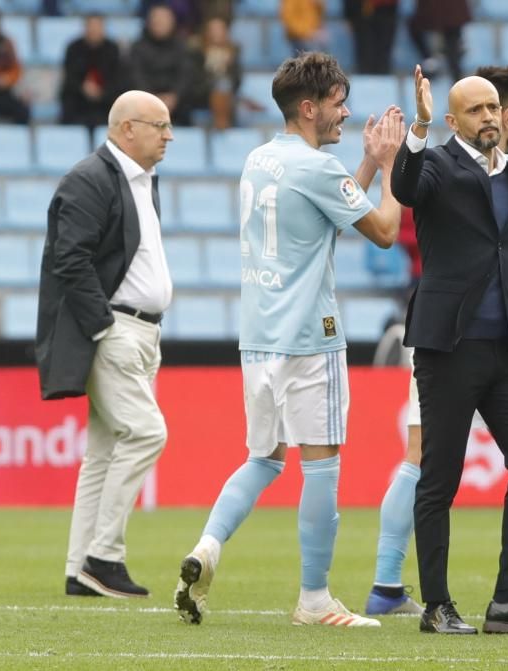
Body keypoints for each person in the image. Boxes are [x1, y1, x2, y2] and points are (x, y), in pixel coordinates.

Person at [173, 52, 404, 628]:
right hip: (310, 335)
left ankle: (208, 544)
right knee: (321, 465)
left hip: (259, 337)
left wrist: (366, 166)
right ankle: (315, 599)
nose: (345, 112)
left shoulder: (259, 160)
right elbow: (384, 231)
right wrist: (392, 166)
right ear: (309, 108)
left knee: (264, 457)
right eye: (336, 103)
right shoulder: (317, 169)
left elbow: (326, 208)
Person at [365, 63, 508, 621]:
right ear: (451, 120)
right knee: (439, 477)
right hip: (448, 345)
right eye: (475, 110)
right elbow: (407, 187)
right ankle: (437, 604)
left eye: (494, 108)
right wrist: (416, 129)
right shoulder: (435, 163)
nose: (489, 116)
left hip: (505, 346)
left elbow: (486, 247)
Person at [37, 90, 174, 598]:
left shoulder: (140, 178)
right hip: (115, 331)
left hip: (142, 332)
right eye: (159, 125)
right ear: (126, 129)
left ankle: (79, 571)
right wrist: (105, 327)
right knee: (146, 433)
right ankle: (104, 556)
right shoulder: (88, 179)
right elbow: (68, 259)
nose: (169, 135)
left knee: (102, 451)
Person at [130, 4, 195, 126]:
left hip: (177, 106)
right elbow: (136, 76)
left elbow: (186, 75)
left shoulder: (182, 47)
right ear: (149, 22)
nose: (159, 22)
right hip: (144, 105)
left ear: (172, 22)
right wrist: (152, 99)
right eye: (156, 19)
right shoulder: (138, 48)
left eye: (164, 19)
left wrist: (174, 96)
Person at [59, 14, 125, 131]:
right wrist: (83, 88)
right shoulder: (73, 48)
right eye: (91, 26)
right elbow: (69, 76)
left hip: (105, 101)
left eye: (97, 26)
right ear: (85, 28)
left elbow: (117, 78)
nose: (94, 30)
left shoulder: (112, 49)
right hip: (78, 99)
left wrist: (101, 92)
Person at [188, 16, 241, 129]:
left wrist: (227, 67)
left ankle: (222, 123)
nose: (216, 33)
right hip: (201, 94)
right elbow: (193, 80)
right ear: (206, 32)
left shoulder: (233, 53)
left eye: (220, 29)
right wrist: (212, 69)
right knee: (221, 84)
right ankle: (222, 124)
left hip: (228, 95)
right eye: (213, 30)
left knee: (224, 85)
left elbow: (237, 81)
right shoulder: (196, 53)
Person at [0, 6, 29, 124]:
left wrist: (5, 79)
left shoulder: (6, 44)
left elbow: (16, 70)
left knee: (23, 110)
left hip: (0, 92)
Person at [407, 0, 471, 82]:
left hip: (444, 10)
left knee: (452, 37)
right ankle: (432, 61)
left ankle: (432, 61)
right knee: (452, 37)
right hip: (446, 11)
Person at [344, 0, 397, 75]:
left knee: (383, 55)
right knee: (365, 53)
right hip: (361, 11)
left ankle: (382, 81)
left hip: (386, 10)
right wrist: (349, 14)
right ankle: (365, 81)